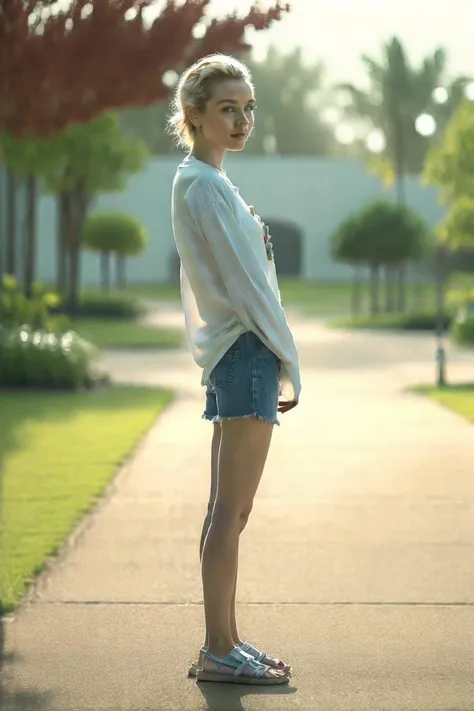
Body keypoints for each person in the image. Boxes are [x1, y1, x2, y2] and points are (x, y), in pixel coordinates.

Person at [169, 53, 301, 685]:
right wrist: (288, 361)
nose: (243, 119)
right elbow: (250, 288)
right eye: (228, 109)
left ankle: (224, 643)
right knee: (231, 511)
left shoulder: (206, 181)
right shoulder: (204, 185)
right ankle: (220, 649)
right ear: (193, 115)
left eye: (248, 108)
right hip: (245, 351)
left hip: (237, 353)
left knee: (228, 510)